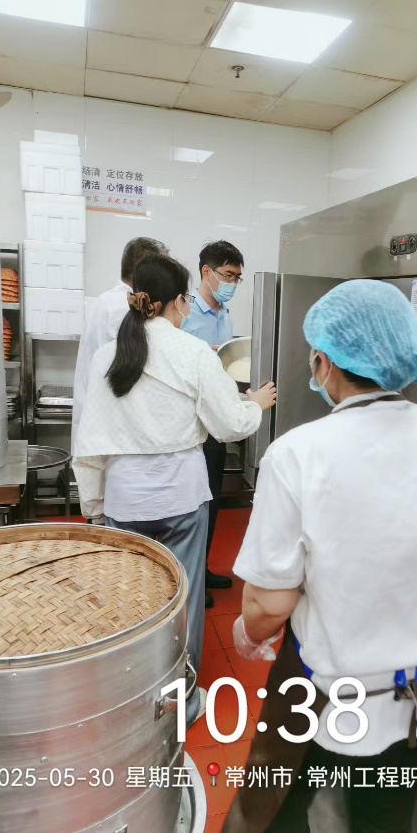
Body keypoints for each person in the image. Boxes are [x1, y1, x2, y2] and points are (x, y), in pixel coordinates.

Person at [219, 279, 417, 833]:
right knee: (387, 830)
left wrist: (248, 632)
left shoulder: (298, 454)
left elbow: (269, 603)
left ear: (325, 363)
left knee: (292, 820)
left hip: (330, 705)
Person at [73, 254, 276, 727]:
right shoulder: (193, 352)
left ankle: (128, 698)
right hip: (181, 498)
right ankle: (180, 702)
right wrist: (255, 405)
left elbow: (91, 440)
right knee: (182, 601)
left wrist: (94, 506)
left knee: (131, 598)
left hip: (125, 498)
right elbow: (230, 425)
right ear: (179, 301)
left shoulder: (110, 355)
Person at [182, 240, 245, 608]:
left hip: (217, 419)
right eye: (227, 275)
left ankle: (202, 569)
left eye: (237, 278)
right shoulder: (185, 311)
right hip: (192, 422)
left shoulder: (225, 314)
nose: (232, 283)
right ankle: (188, 578)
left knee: (213, 498)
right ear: (206, 272)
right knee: (194, 504)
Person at [71, 236, 169, 456]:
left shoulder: (106, 300)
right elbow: (137, 370)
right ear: (146, 271)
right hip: (112, 427)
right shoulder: (126, 310)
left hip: (100, 421)